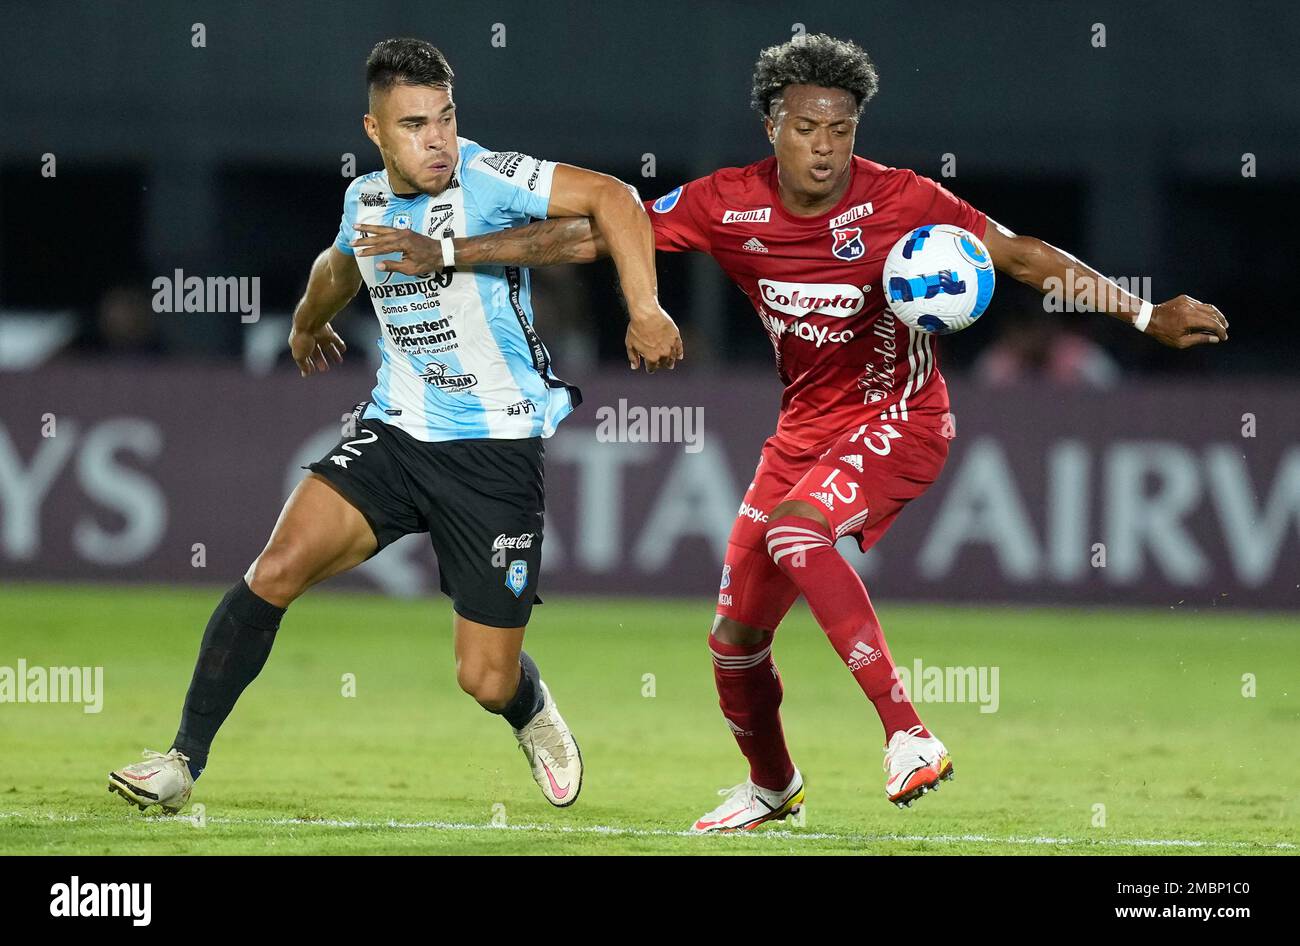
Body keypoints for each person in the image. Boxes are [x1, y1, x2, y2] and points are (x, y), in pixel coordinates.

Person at [333, 33, 1228, 832]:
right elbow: (593, 235)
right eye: (807, 127)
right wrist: (452, 251)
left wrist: (1146, 315)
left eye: (841, 129)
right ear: (773, 126)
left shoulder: (905, 201)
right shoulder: (729, 204)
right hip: (803, 434)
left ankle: (908, 733)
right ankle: (773, 787)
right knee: (733, 642)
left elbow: (1025, 255)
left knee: (799, 532)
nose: (826, 147)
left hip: (901, 420)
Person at [107, 37, 683, 815]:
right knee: (275, 569)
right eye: (415, 124)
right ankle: (180, 761)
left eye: (445, 118)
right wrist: (308, 324)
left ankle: (530, 708)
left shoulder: (485, 176)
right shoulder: (365, 199)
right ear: (375, 133)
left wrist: (644, 307)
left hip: (495, 450)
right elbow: (339, 265)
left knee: (483, 678)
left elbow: (614, 198)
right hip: (399, 430)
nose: (437, 139)